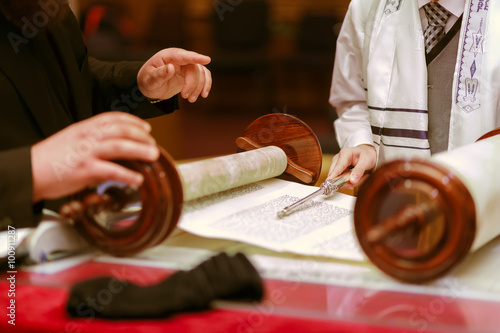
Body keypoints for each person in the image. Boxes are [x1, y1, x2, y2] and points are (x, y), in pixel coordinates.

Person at [0, 0, 212, 229]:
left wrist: (141, 85)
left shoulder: (44, 7)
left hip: (70, 227)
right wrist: (32, 170)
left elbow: (73, 85)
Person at [327, 0, 500, 188]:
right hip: (387, 197)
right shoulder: (367, 7)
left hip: (481, 199)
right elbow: (352, 99)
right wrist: (362, 143)